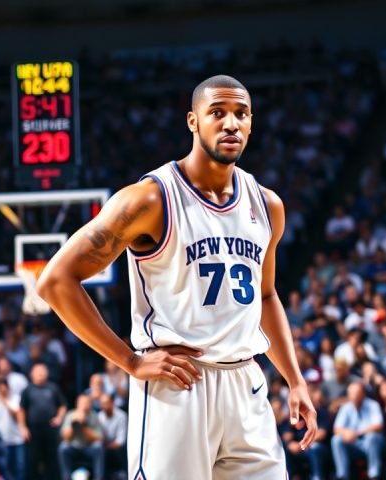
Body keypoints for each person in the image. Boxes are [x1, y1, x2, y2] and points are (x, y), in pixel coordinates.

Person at [37, 74, 317, 479]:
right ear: (193, 121)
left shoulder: (267, 204)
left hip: (246, 383)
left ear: (252, 123)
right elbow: (55, 281)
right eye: (217, 113)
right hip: (179, 383)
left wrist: (295, 379)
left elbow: (267, 296)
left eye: (241, 114)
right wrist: (130, 361)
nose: (231, 124)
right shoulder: (150, 199)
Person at [20, 363, 66, 480]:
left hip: (50, 428)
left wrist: (59, 418)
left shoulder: (53, 388)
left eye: (43, 370)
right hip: (33, 430)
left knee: (52, 459)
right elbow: (21, 410)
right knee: (33, 460)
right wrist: (23, 427)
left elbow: (62, 405)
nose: (41, 373)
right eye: (38, 371)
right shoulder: (27, 390)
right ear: (32, 374)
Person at [331, 382, 384, 479]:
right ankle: (342, 476)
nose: (354, 396)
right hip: (353, 444)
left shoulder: (373, 405)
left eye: (356, 393)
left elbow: (378, 425)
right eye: (351, 393)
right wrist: (346, 433)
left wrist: (357, 433)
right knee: (336, 439)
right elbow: (336, 428)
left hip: (369, 443)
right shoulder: (345, 407)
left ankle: (374, 475)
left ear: (363, 394)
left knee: (372, 437)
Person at [58, 394, 104, 480]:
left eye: (87, 403)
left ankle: (99, 478)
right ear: (77, 404)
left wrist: (84, 425)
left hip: (88, 447)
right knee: (63, 447)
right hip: (73, 448)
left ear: (90, 404)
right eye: (82, 403)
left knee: (98, 447)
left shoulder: (94, 415)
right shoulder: (70, 415)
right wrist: (73, 423)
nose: (84, 405)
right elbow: (64, 437)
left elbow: (99, 438)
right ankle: (66, 477)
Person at [97, 394, 127, 479]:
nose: (104, 406)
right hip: (104, 447)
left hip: (118, 449)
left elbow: (121, 441)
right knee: (98, 450)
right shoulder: (99, 416)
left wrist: (106, 445)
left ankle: (124, 474)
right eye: (102, 404)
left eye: (106, 403)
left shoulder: (122, 415)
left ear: (112, 403)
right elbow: (98, 438)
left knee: (122, 449)